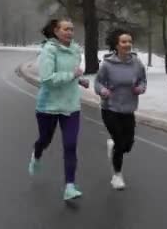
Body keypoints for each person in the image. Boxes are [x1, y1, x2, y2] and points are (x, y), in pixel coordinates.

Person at [28, 19, 89, 201]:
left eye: (72, 29)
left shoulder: (76, 50)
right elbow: (47, 78)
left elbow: (71, 74)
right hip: (49, 106)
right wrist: (73, 75)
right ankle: (36, 154)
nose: (70, 32)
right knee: (45, 140)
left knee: (70, 146)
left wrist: (80, 80)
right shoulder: (49, 50)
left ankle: (69, 186)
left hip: (71, 106)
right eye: (65, 29)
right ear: (56, 31)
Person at [94, 28, 147, 190]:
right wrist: (102, 91)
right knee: (119, 141)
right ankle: (117, 176)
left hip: (128, 109)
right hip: (110, 108)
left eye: (129, 41)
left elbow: (143, 80)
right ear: (116, 45)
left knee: (127, 145)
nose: (127, 44)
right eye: (123, 42)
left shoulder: (137, 63)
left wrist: (140, 88)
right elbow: (97, 83)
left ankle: (114, 146)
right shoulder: (107, 65)